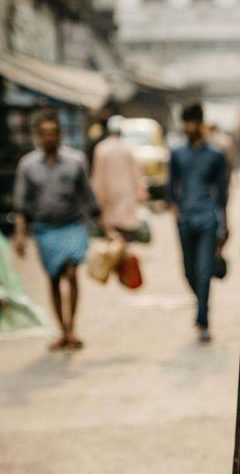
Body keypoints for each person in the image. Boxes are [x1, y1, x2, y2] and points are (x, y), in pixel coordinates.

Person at [13, 110, 100, 350]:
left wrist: (105, 227)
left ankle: (72, 327)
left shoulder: (75, 162)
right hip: (45, 230)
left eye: (53, 133)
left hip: (72, 226)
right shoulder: (28, 166)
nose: (49, 138)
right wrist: (20, 235)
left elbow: (88, 197)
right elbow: (22, 204)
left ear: (60, 135)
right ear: (37, 136)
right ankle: (62, 329)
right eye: (44, 134)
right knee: (53, 277)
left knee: (72, 273)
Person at [168, 103, 228, 343]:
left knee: (204, 271)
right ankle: (201, 302)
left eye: (190, 122)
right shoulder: (177, 154)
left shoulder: (216, 156)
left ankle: (202, 319)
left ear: (200, 123)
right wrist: (176, 210)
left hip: (207, 220)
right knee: (188, 271)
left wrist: (224, 225)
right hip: (185, 219)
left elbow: (223, 194)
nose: (187, 127)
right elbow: (170, 189)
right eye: (185, 122)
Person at [92, 115, 146, 239]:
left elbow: (98, 177)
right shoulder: (128, 148)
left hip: (108, 195)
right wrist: (140, 193)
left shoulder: (101, 148)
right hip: (126, 194)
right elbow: (137, 174)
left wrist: (98, 197)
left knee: (111, 232)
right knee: (124, 232)